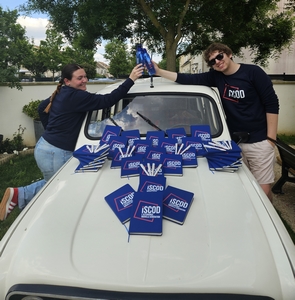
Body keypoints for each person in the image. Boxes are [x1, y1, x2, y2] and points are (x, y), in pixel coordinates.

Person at [0, 63, 144, 221]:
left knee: (54, 184)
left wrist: (53, 131)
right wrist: (131, 79)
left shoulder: (63, 92)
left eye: (85, 76)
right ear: (67, 81)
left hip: (46, 147)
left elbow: (42, 108)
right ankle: (21, 197)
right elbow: (107, 101)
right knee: (59, 187)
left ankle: (25, 203)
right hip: (56, 152)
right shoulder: (76, 96)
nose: (84, 80)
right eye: (79, 78)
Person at [153, 42, 279, 201]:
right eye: (212, 61)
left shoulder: (253, 72)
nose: (217, 62)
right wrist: (158, 71)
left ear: (229, 54)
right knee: (247, 187)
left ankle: (269, 217)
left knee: (262, 191)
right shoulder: (216, 77)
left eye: (219, 56)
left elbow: (271, 103)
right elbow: (187, 78)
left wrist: (271, 139)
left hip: (259, 141)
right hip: (234, 142)